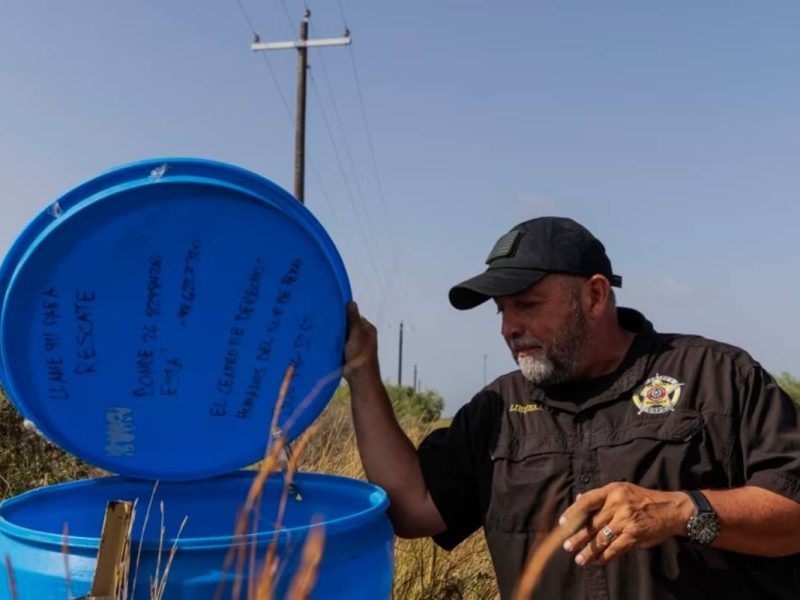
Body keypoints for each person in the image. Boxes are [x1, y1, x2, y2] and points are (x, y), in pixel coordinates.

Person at [343, 216, 800, 599]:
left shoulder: (716, 378)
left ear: (595, 296)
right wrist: (364, 373)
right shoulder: (497, 409)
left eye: (527, 304)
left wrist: (682, 511)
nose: (509, 327)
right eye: (501, 310)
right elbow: (412, 508)